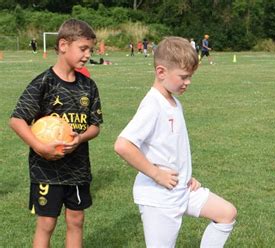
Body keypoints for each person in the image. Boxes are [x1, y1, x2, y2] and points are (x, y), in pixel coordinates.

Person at [114, 36, 237, 247]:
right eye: (183, 77)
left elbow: (169, 147)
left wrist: (187, 175)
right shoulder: (153, 104)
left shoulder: (173, 102)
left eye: (190, 76)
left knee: (227, 213)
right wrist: (157, 174)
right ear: (161, 72)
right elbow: (123, 145)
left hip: (182, 189)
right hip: (159, 198)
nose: (188, 82)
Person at [9, 19, 103, 248]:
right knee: (47, 223)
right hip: (47, 171)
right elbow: (17, 119)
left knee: (76, 220)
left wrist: (80, 138)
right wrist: (40, 146)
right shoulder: (44, 82)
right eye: (83, 49)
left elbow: (95, 125)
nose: (87, 54)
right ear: (63, 45)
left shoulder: (88, 86)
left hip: (78, 169)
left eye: (90, 49)